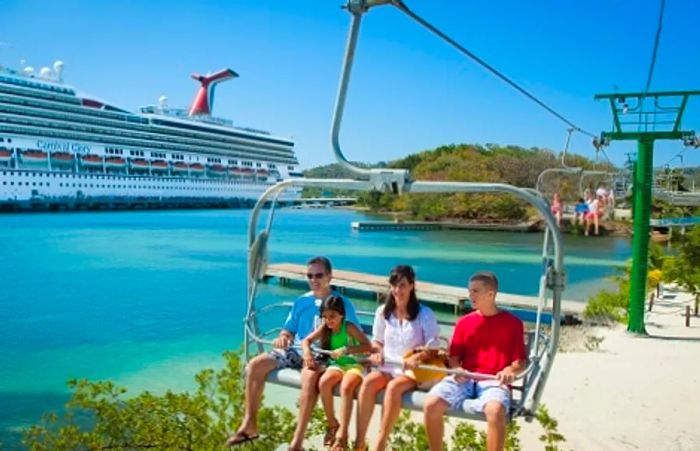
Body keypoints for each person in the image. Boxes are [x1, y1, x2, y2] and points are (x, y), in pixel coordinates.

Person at [226, 256, 359, 450]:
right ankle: (250, 423)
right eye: (310, 276)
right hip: (295, 351)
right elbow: (288, 330)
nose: (314, 280)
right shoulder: (301, 301)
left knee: (308, 377)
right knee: (255, 366)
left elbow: (354, 334)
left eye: (319, 275)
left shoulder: (342, 304)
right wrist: (283, 337)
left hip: (321, 356)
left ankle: (297, 442)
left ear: (330, 276)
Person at [423, 272, 525, 451]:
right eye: (469, 291)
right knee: (431, 404)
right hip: (465, 378)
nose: (470, 296)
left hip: (494, 381)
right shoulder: (464, 323)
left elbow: (519, 362)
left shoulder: (513, 324)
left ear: (491, 294)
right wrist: (457, 369)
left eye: (475, 291)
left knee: (495, 411)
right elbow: (453, 358)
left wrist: (509, 370)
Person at [353, 265, 440, 451]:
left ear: (411, 286)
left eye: (402, 285)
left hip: (411, 371)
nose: (397, 290)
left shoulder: (424, 314)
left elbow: (433, 347)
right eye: (394, 285)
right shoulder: (382, 312)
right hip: (387, 365)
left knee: (393, 388)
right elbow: (377, 341)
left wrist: (418, 357)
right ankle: (359, 442)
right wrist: (376, 353)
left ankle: (380, 441)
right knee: (368, 383)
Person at [302, 296, 372, 451]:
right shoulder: (324, 329)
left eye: (332, 316)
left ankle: (342, 436)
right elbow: (306, 341)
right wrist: (307, 354)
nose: (328, 320)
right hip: (337, 365)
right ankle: (333, 424)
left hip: (354, 365)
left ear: (341, 315)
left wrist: (347, 350)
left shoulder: (349, 327)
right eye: (325, 317)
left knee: (346, 387)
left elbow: (368, 346)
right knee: (323, 383)